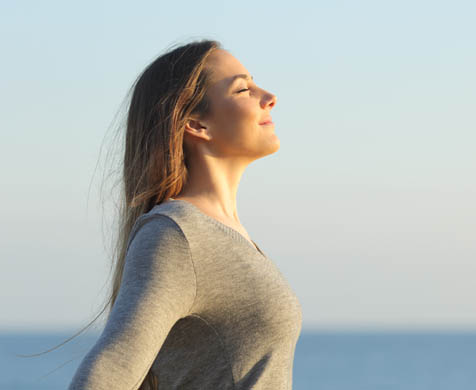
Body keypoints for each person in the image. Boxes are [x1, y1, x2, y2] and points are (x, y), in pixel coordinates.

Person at [67, 39, 303, 389]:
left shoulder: (222, 233)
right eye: (243, 89)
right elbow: (106, 375)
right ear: (196, 124)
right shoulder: (176, 235)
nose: (269, 96)